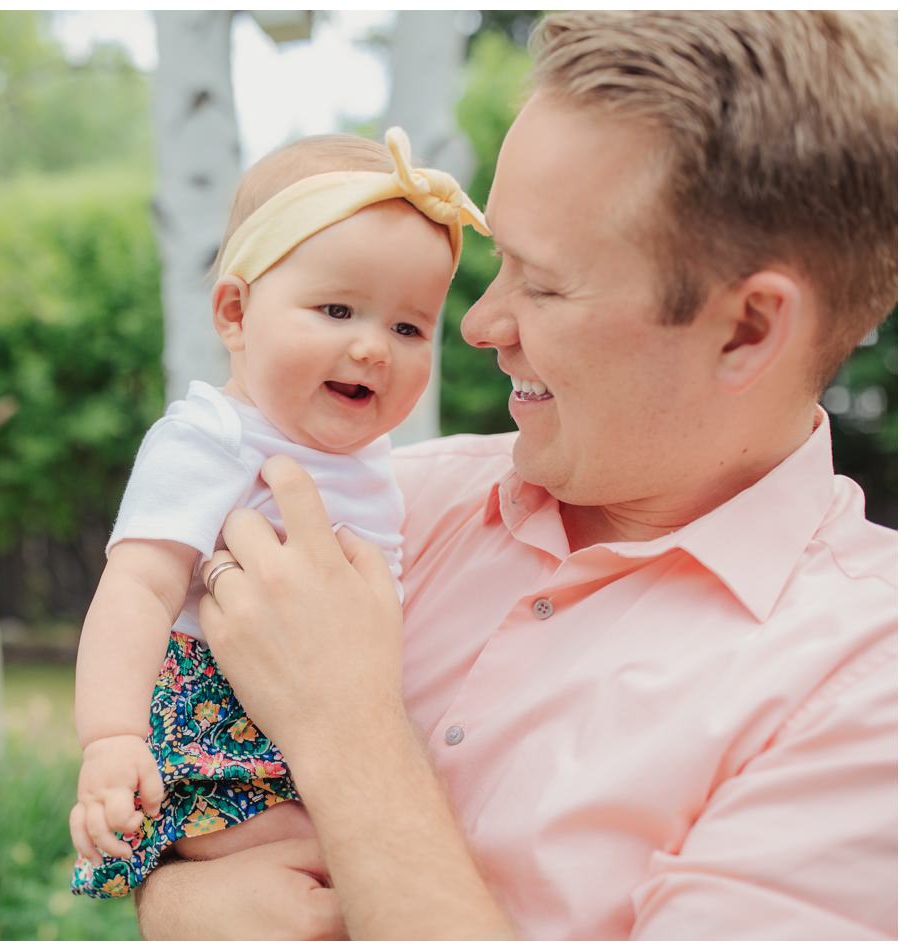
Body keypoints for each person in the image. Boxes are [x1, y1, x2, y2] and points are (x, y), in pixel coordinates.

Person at [135, 10, 897, 939]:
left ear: (746, 328)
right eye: (496, 265)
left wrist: (347, 729)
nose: (478, 324)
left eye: (541, 284)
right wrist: (173, 898)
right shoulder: (387, 502)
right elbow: (162, 744)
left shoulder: (867, 692)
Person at [68, 129, 488, 899]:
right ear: (234, 313)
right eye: (337, 309)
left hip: (332, 732)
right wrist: (111, 736)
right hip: (220, 724)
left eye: (408, 327)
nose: (373, 349)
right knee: (323, 867)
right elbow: (136, 588)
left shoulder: (382, 462)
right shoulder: (212, 437)